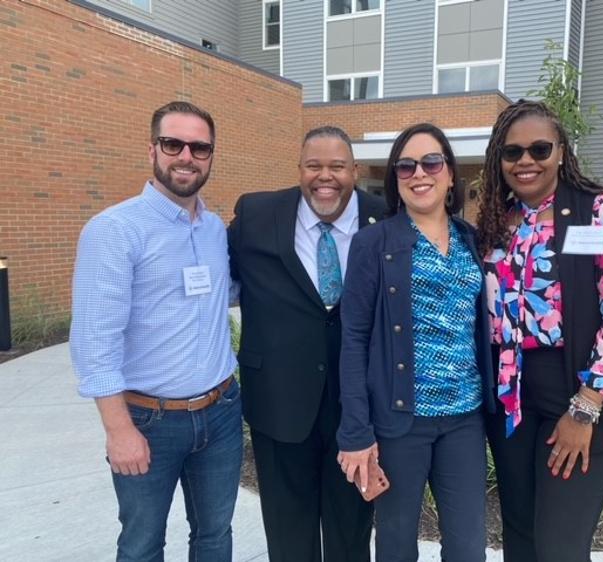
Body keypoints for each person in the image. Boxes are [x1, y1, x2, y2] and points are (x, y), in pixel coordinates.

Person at [70, 101, 242, 561]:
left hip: (221, 411)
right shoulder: (114, 230)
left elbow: (226, 294)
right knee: (143, 543)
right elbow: (93, 341)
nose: (186, 155)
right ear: (153, 150)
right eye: (173, 143)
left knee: (215, 534)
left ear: (210, 156)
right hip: (149, 421)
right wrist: (117, 429)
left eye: (199, 147)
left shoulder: (213, 230)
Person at [476, 99, 603, 562]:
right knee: (520, 534)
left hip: (576, 391)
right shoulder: (497, 221)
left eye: (539, 148)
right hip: (511, 398)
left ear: (561, 152)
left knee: (559, 547)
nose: (526, 161)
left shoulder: (600, 213)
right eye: (512, 153)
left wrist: (586, 408)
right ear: (499, 159)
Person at [336, 123, 496, 562]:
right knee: (396, 543)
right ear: (395, 178)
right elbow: (353, 338)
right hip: (400, 420)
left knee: (468, 547)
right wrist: (356, 429)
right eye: (405, 165)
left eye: (431, 162)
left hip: (464, 419)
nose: (418, 173)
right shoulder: (374, 242)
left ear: (448, 175)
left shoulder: (472, 240)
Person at [227, 126, 386, 562]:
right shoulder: (256, 216)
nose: (325, 176)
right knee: (288, 536)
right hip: (278, 403)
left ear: (354, 170)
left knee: (352, 534)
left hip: (358, 409)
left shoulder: (387, 217)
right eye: (314, 166)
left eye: (337, 166)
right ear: (299, 169)